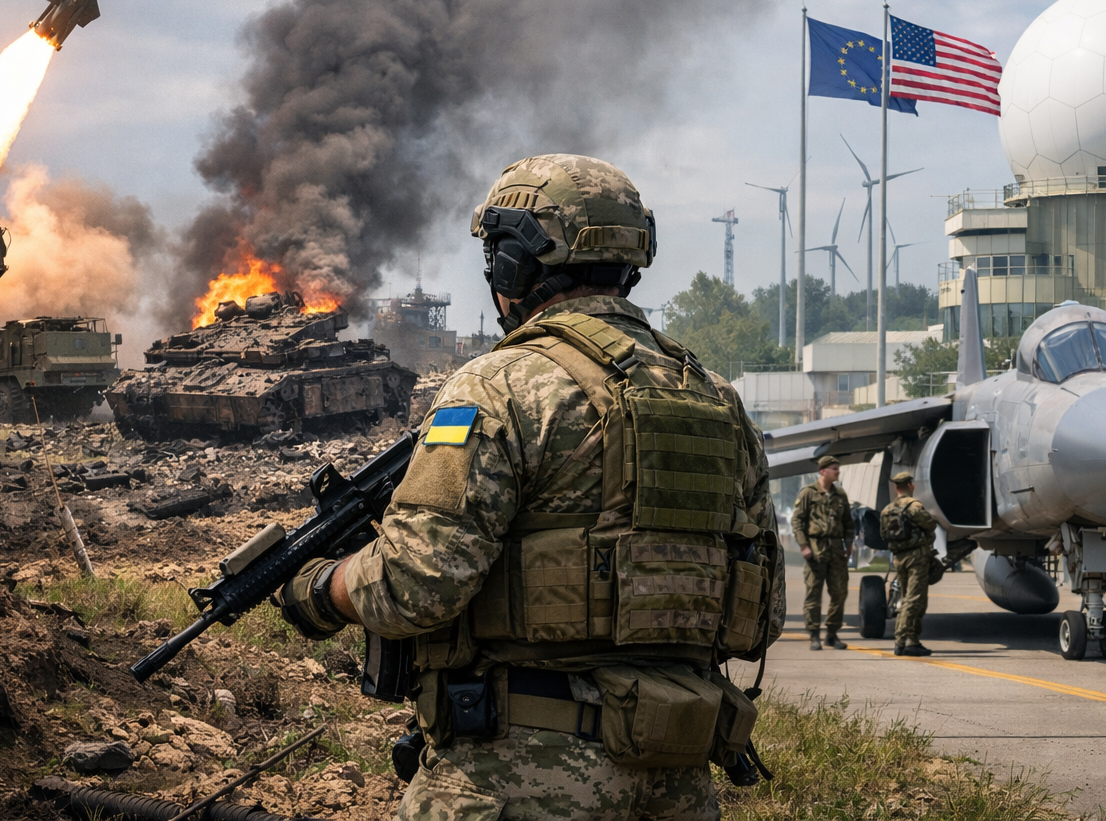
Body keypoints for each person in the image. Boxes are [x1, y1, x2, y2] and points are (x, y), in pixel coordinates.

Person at [277, 154, 785, 821]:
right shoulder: (717, 399)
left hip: (518, 778)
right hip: (677, 779)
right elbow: (764, 611)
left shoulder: (499, 384)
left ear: (515, 263)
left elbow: (417, 581)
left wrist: (321, 587)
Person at [792, 455, 853, 650]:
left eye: (838, 468)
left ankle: (832, 633)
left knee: (839, 593)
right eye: (834, 468)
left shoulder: (840, 494)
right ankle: (814, 635)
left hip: (836, 550)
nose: (838, 471)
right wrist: (804, 545)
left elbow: (848, 522)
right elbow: (797, 521)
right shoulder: (808, 493)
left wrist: (849, 543)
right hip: (816, 549)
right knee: (814, 594)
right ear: (823, 471)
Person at [880, 471, 938, 657]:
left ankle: (912, 640)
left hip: (899, 558)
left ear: (896, 487)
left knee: (908, 598)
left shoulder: (887, 510)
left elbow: (883, 534)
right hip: (916, 558)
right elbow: (930, 524)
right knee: (914, 599)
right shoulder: (914, 507)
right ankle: (901, 640)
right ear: (911, 485)